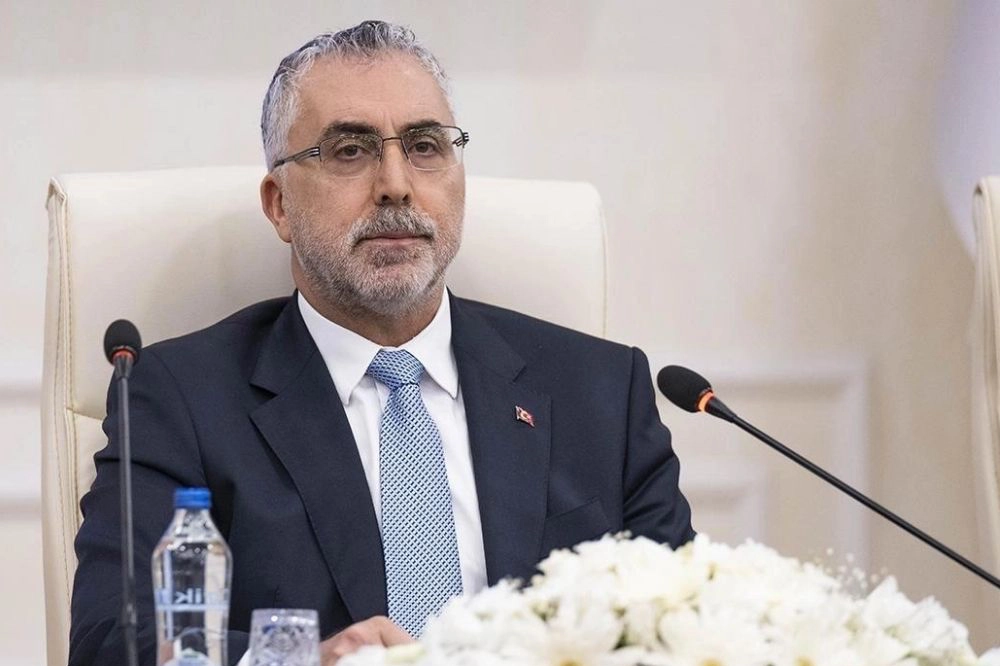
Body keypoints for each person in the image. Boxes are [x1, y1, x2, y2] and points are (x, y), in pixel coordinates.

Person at [68, 20, 695, 666]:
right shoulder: (179, 401)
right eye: (350, 151)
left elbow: (684, 627)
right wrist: (305, 660)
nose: (396, 183)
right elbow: (110, 644)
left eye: (425, 146)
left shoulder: (601, 391)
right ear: (279, 205)